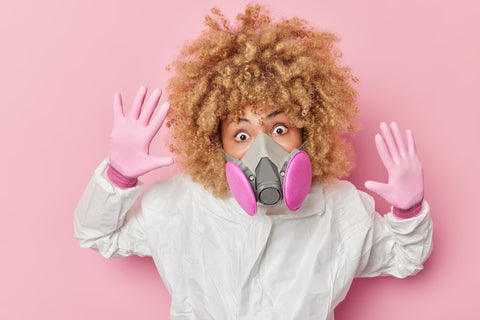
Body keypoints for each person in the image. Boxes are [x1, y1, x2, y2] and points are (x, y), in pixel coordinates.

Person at [74, 4, 432, 319]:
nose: (264, 149)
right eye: (242, 136)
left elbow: (405, 258)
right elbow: (97, 234)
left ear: (307, 133)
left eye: (279, 128)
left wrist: (408, 210)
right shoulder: (176, 204)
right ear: (217, 144)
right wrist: (117, 177)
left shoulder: (341, 209)